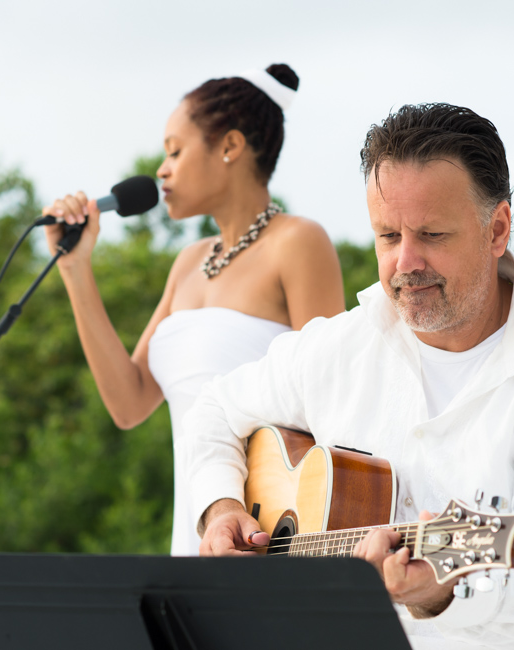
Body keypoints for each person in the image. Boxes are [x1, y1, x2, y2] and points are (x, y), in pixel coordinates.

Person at [182, 103, 514, 648]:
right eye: (387, 236)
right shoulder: (340, 346)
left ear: (497, 229)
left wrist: (444, 596)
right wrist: (221, 508)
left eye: (430, 234)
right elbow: (211, 412)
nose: (405, 262)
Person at [42, 64, 346, 556]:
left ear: (229, 147)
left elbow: (333, 406)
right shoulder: (187, 264)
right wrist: (75, 269)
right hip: (195, 528)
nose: (161, 170)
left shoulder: (298, 242)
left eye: (175, 151)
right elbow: (128, 402)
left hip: (269, 533)